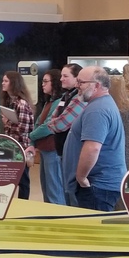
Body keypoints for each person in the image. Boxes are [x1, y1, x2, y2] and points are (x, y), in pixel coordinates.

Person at [63, 66, 126, 211]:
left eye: (81, 82)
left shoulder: (97, 110)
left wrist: (81, 178)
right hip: (98, 187)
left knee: (92, 230)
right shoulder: (100, 104)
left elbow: (92, 148)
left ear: (96, 85)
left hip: (96, 188)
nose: (77, 86)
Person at [34, 63, 87, 206]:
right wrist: (54, 123)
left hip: (65, 151)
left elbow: (59, 124)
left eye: (65, 76)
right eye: (61, 76)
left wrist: (51, 125)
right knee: (55, 190)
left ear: (77, 78)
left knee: (58, 192)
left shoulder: (80, 98)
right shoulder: (65, 97)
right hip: (59, 149)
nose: (62, 79)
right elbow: (52, 121)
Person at [26, 70, 66, 205]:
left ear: (54, 83)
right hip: (44, 150)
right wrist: (32, 140)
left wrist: (31, 136)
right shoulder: (49, 102)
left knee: (54, 189)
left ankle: (59, 220)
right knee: (47, 188)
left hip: (53, 150)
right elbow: (38, 123)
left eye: (45, 81)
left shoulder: (60, 102)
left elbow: (47, 126)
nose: (42, 84)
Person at [0, 70, 34, 199]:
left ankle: (23, 203)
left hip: (21, 147)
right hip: (12, 146)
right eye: (3, 80)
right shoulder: (11, 102)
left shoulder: (22, 104)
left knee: (23, 180)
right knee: (14, 177)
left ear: (14, 83)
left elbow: (23, 129)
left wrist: (7, 122)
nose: (3, 83)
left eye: (6, 81)